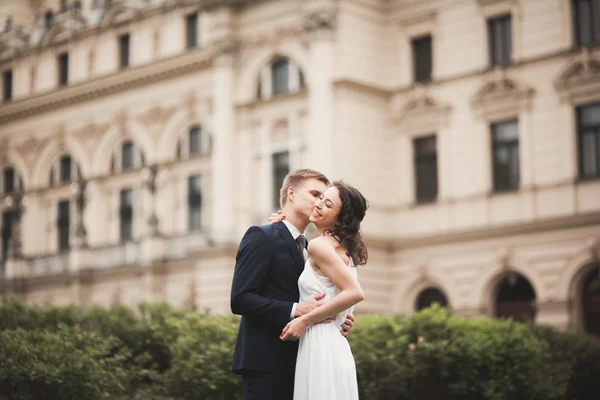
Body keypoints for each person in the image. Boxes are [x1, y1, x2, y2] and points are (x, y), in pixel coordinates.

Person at [230, 169, 355, 400]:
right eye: (315, 194)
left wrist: (340, 314)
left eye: (323, 198)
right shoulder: (261, 235)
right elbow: (240, 298)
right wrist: (297, 310)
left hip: (307, 361)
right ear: (291, 193)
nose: (319, 202)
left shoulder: (313, 247)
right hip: (266, 362)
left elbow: (324, 291)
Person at [277, 180, 368, 400]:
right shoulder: (342, 249)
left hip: (319, 343)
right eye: (320, 198)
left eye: (327, 204)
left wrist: (304, 320)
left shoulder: (319, 246)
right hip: (334, 343)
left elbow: (354, 292)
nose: (318, 204)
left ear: (341, 218)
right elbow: (341, 298)